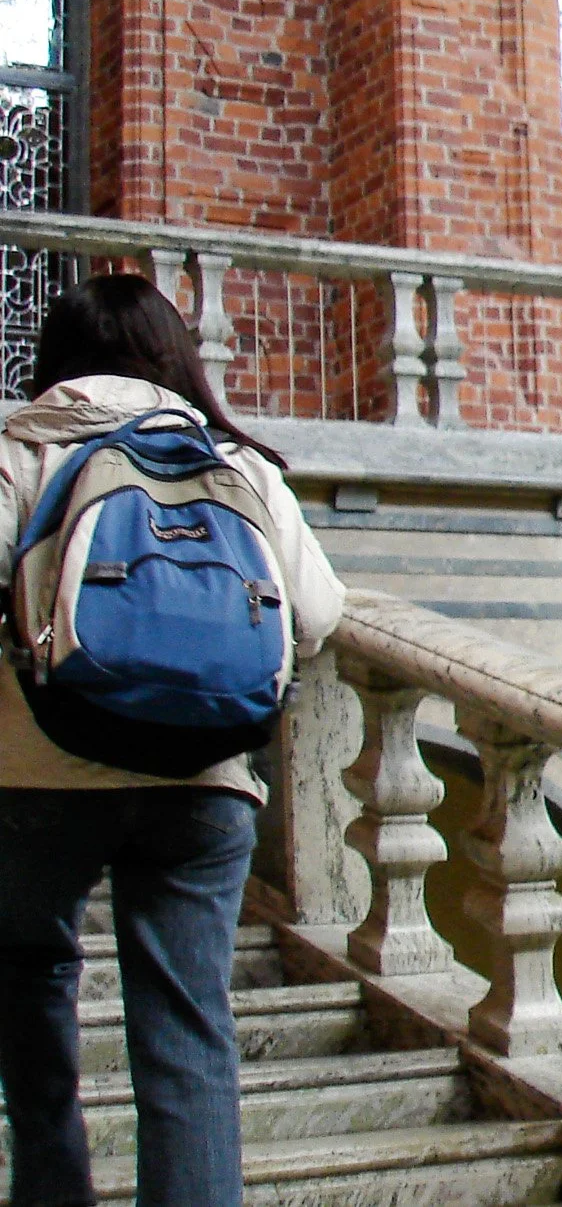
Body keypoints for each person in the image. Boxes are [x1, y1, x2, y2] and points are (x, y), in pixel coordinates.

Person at [0, 273, 346, 1207]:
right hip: (205, 775)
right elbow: (318, 613)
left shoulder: (20, 449)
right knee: (189, 1030)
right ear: (176, 357)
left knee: (30, 983)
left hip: (37, 772)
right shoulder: (237, 465)